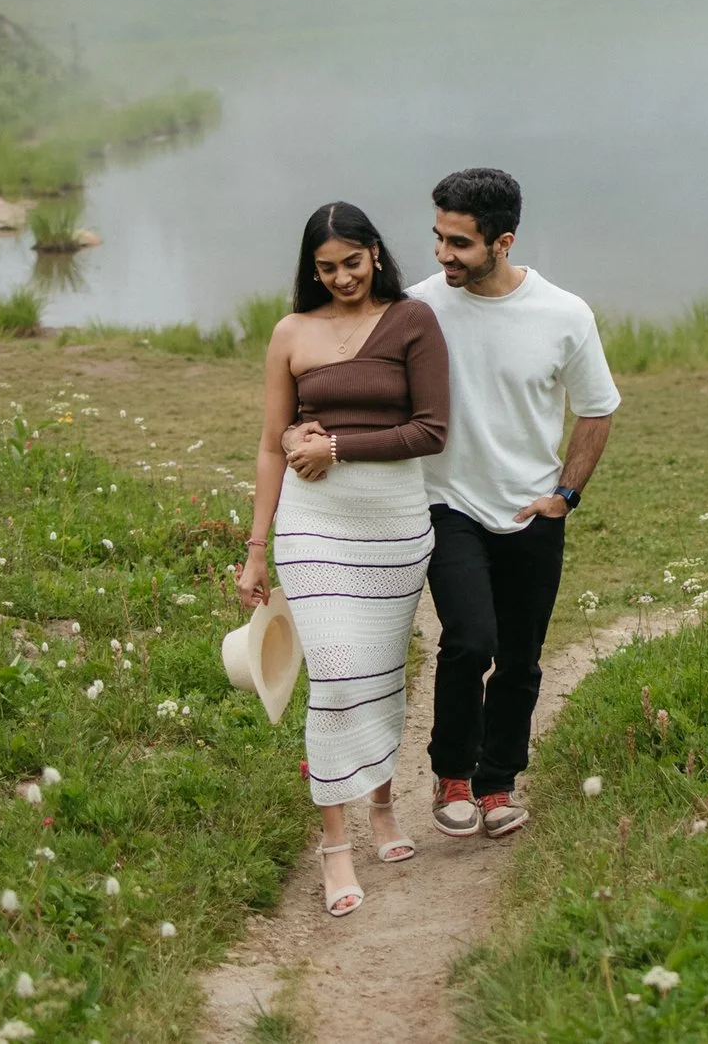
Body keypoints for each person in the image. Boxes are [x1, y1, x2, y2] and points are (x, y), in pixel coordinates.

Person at [237, 201, 448, 918]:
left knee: (380, 670)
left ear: (375, 254)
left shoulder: (413, 320)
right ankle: (335, 845)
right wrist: (256, 547)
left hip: (392, 522)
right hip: (313, 521)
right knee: (332, 668)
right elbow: (272, 443)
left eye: (352, 263)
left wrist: (339, 446)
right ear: (312, 268)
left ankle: (384, 804)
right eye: (326, 267)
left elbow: (431, 429)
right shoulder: (290, 332)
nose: (342, 277)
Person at [411, 167, 619, 839]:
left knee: (522, 658)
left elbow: (597, 409)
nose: (444, 254)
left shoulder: (564, 314)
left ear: (502, 242)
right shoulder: (417, 308)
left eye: (460, 243)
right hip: (449, 505)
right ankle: (451, 775)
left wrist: (566, 493)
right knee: (471, 640)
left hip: (533, 512)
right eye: (438, 237)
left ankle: (497, 784)